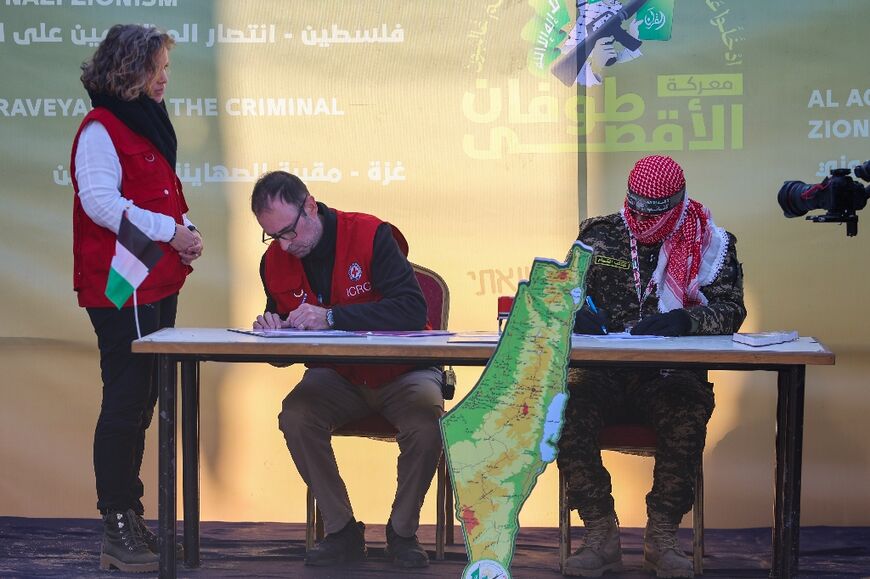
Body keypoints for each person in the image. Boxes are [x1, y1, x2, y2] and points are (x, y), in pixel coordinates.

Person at [558, 155, 746, 578]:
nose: (643, 220)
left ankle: (661, 538)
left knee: (686, 417)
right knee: (564, 412)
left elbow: (732, 311)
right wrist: (575, 312)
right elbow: (561, 293)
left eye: (655, 212)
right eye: (636, 207)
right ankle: (600, 534)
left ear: (678, 203)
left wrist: (686, 319)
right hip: (602, 373)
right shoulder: (598, 235)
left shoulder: (711, 243)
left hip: (669, 374)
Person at [250, 171, 444, 569]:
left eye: (289, 232)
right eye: (274, 237)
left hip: (403, 370)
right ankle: (341, 531)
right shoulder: (274, 262)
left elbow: (412, 309)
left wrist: (333, 317)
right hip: (337, 375)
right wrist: (274, 331)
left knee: (427, 421)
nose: (287, 245)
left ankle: (403, 533)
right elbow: (284, 349)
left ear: (309, 205)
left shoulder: (370, 234)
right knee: (297, 415)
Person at [71, 24, 202, 573]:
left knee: (145, 400)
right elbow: (102, 202)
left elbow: (158, 193)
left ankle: (133, 512)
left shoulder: (146, 121)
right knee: (125, 400)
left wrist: (186, 230)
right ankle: (116, 523)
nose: (165, 77)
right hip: (122, 287)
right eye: (159, 68)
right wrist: (171, 232)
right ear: (132, 69)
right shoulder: (100, 127)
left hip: (157, 282)